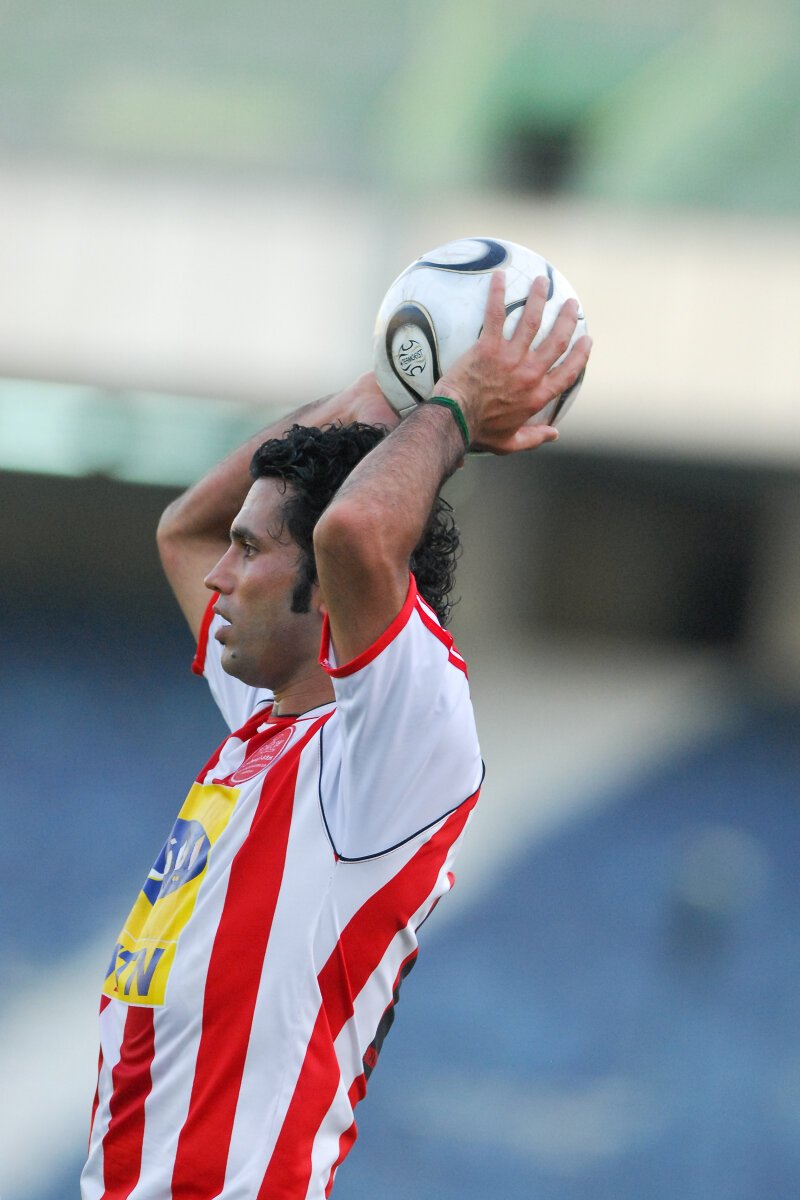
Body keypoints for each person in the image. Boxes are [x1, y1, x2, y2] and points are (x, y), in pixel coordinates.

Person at [81, 271, 591, 1199]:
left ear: (325, 589)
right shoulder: (268, 724)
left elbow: (355, 529)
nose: (218, 575)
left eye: (251, 550)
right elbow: (183, 530)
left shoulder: (395, 743)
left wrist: (454, 406)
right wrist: (376, 393)